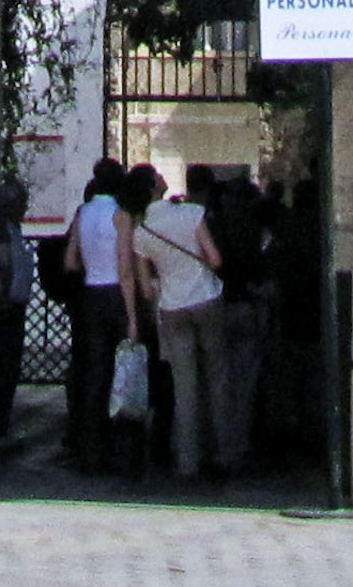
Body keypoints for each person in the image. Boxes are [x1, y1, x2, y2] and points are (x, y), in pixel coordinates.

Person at [124, 160, 231, 477]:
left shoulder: (141, 232)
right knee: (217, 378)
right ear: (153, 187)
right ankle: (224, 454)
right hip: (206, 299)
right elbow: (214, 259)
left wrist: (165, 282)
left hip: (171, 308)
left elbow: (145, 289)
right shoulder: (190, 213)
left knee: (184, 387)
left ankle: (187, 461)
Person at [202, 167, 272, 469]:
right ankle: (236, 448)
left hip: (217, 305)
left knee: (216, 381)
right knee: (244, 382)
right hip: (247, 305)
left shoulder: (213, 227)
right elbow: (262, 266)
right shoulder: (258, 229)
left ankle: (215, 445)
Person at [62, 155, 128, 469]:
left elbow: (70, 262)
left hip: (90, 295)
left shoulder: (82, 213)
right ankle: (117, 448)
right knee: (121, 374)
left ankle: (89, 448)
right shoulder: (121, 215)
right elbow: (126, 270)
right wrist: (132, 315)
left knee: (93, 373)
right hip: (115, 293)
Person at [0, 175, 35, 447]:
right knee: (1, 368)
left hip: (12, 305)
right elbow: (3, 264)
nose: (25, 209)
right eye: (22, 203)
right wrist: (2, 296)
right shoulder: (1, 230)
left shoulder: (12, 230)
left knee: (5, 369)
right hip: (5, 306)